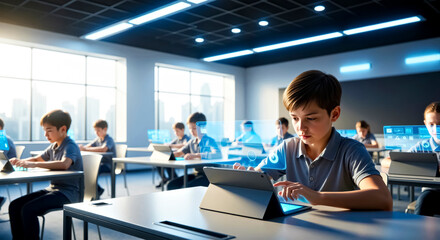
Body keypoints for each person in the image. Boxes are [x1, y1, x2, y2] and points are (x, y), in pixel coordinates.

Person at [234, 70, 392, 211]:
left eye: (311, 118)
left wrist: (318, 197)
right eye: (295, 118)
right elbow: (260, 176)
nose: (300, 127)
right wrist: (247, 179)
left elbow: (383, 199)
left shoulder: (351, 150)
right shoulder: (288, 147)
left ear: (334, 114)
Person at [8, 109, 83, 239]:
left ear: (63, 129)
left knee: (28, 209)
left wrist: (33, 164)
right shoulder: (54, 146)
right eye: (44, 131)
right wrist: (20, 161)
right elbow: (38, 158)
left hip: (68, 193)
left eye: (49, 131)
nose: (45, 134)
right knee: (14, 205)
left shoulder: (70, 146)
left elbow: (64, 164)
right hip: (53, 189)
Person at [167, 112, 221, 190]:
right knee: (171, 185)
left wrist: (196, 155)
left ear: (203, 127)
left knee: (186, 187)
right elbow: (178, 153)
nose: (191, 131)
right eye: (189, 128)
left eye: (194, 128)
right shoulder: (192, 142)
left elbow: (217, 154)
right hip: (197, 174)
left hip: (210, 176)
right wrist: (165, 154)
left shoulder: (210, 141)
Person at [411, 102, 440, 216]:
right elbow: (388, 161)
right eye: (431, 124)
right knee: (423, 200)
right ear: (425, 124)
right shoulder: (422, 146)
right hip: (432, 192)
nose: (435, 128)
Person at [79, 119, 116, 198]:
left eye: (98, 130)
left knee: (92, 171)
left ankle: (97, 190)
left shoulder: (109, 140)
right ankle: (98, 189)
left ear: (105, 129)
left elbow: (103, 149)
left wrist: (85, 149)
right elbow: (87, 146)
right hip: (100, 164)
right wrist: (82, 147)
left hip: (109, 165)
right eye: (95, 130)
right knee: (85, 170)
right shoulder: (98, 139)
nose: (96, 133)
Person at [156, 122, 191, 188]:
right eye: (175, 131)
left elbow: (185, 145)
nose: (176, 133)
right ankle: (165, 178)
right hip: (175, 157)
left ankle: (173, 178)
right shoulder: (176, 139)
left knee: (168, 162)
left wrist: (172, 145)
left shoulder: (186, 138)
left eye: (177, 131)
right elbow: (169, 145)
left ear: (182, 130)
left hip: (183, 158)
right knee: (159, 162)